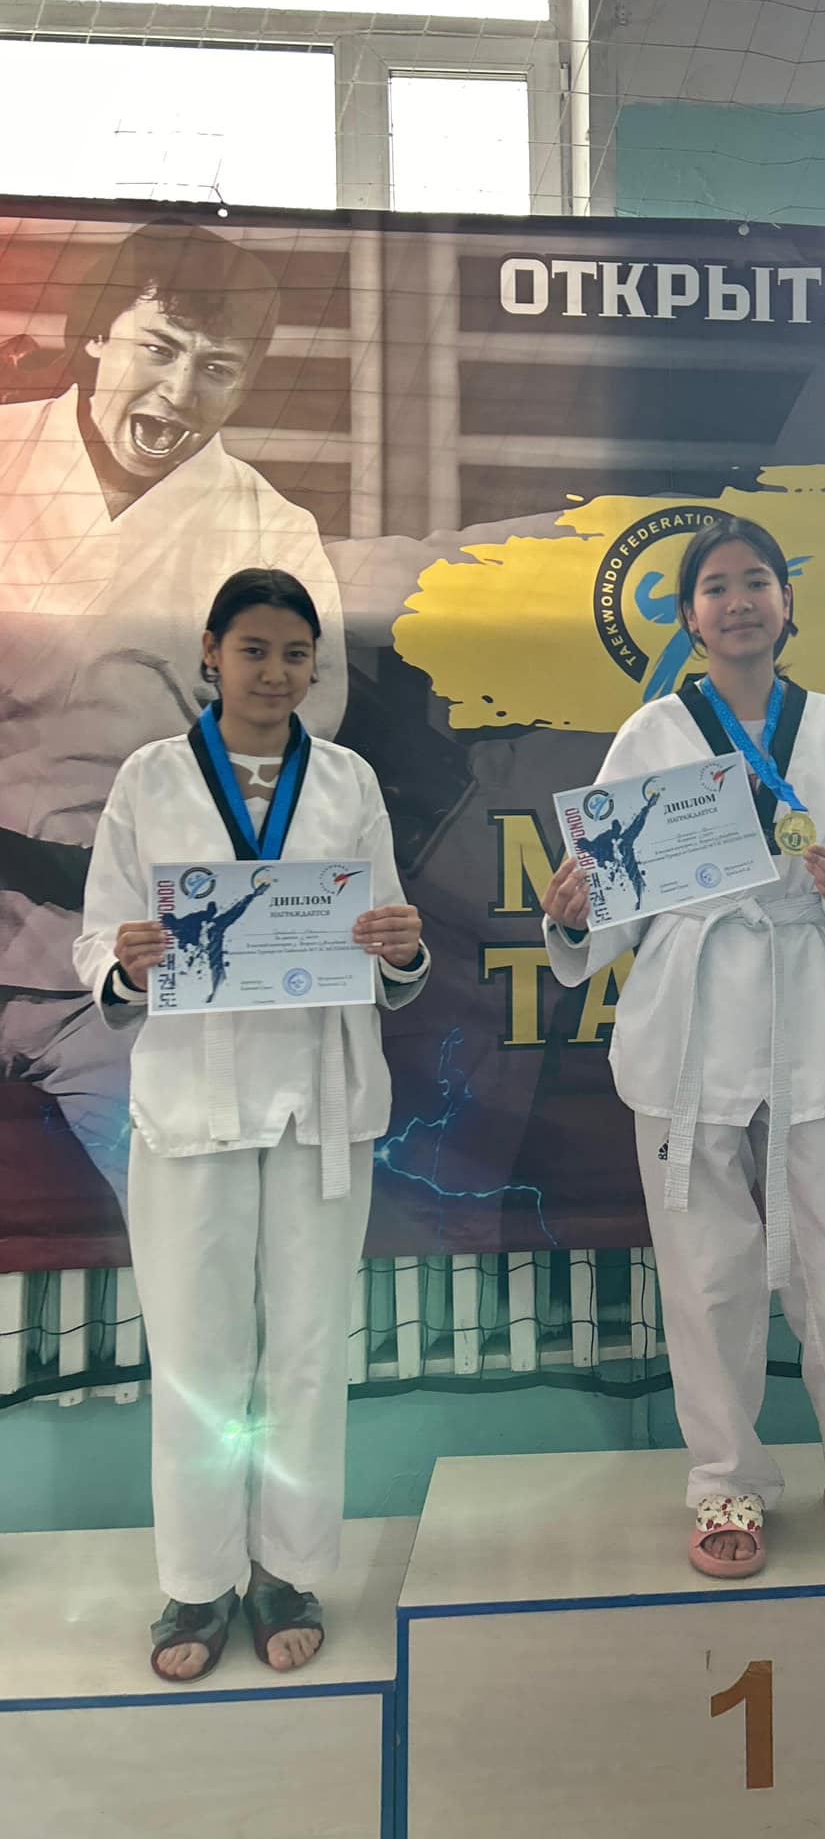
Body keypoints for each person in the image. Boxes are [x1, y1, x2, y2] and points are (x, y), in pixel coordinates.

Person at [541, 515, 825, 1576]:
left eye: (757, 580)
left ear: (786, 603)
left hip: (806, 1005)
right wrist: (574, 914)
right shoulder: (652, 732)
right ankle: (726, 1481)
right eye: (716, 586)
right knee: (705, 1267)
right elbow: (612, 882)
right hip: (691, 1015)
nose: (739, 601)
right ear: (689, 615)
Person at [73, 568, 426, 1683]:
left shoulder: (348, 780)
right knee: (197, 1356)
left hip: (322, 1097)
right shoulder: (151, 778)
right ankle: (196, 1579)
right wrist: (126, 961)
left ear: (315, 668)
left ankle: (287, 1568)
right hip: (193, 1100)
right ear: (212, 655)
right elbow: (95, 936)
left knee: (309, 1351)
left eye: (295, 654)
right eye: (255, 649)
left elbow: (389, 932)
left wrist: (401, 947)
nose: (275, 672)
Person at [0, 221, 345, 1207]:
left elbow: (296, 749)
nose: (181, 392)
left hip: (126, 959)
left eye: (217, 368)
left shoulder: (270, 532)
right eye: (157, 347)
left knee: (188, 1214)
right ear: (95, 335)